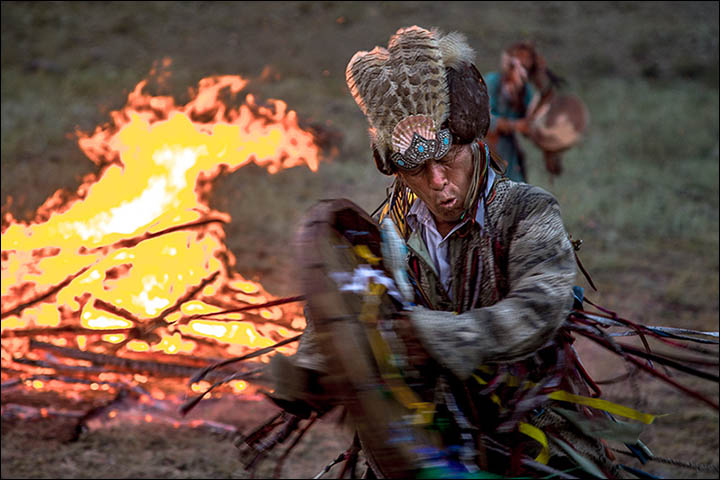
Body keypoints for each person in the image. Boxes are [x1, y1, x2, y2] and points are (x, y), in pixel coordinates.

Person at [247, 26, 650, 479]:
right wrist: (315, 366)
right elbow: (340, 309)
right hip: (426, 434)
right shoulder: (388, 231)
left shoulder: (527, 210)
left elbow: (542, 307)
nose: (437, 181)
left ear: (475, 142)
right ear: (396, 168)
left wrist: (438, 334)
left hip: (527, 431)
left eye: (448, 160)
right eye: (417, 169)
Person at [484, 42, 564, 182]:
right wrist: (515, 126)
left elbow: (531, 123)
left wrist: (549, 148)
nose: (523, 73)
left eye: (527, 68)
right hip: (485, 153)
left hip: (509, 157)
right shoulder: (492, 83)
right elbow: (483, 121)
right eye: (519, 66)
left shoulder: (524, 92)